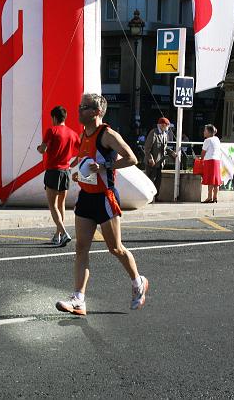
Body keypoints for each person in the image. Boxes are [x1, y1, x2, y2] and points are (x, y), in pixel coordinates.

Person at [55, 93, 149, 316]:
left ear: (96, 112)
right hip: (86, 197)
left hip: (105, 198)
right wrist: (78, 174)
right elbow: (85, 163)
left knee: (115, 248)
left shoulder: (107, 134)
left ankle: (138, 282)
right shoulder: (84, 134)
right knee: (80, 249)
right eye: (79, 106)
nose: (79, 110)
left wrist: (105, 165)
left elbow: (132, 158)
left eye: (84, 107)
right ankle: (79, 299)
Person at [36, 105, 80, 246]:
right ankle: (57, 235)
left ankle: (64, 232)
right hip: (66, 171)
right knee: (61, 204)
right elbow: (82, 152)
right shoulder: (73, 134)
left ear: (54, 118)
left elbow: (43, 149)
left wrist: (39, 148)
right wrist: (72, 164)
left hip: (53, 171)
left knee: (52, 205)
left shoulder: (52, 130)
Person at [144, 117, 176, 201]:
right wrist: (150, 159)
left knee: (158, 181)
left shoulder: (164, 134)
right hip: (152, 163)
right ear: (162, 125)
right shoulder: (153, 133)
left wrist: (171, 152)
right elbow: (147, 148)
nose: (168, 127)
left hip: (160, 163)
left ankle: (156, 197)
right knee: (151, 180)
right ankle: (149, 198)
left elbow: (165, 148)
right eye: (167, 125)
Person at [201, 124, 222, 203]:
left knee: (210, 180)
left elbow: (203, 152)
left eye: (205, 130)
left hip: (209, 161)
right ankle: (215, 197)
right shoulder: (217, 139)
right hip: (217, 160)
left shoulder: (207, 140)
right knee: (216, 180)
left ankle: (209, 197)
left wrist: (201, 158)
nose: (204, 132)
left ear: (209, 132)